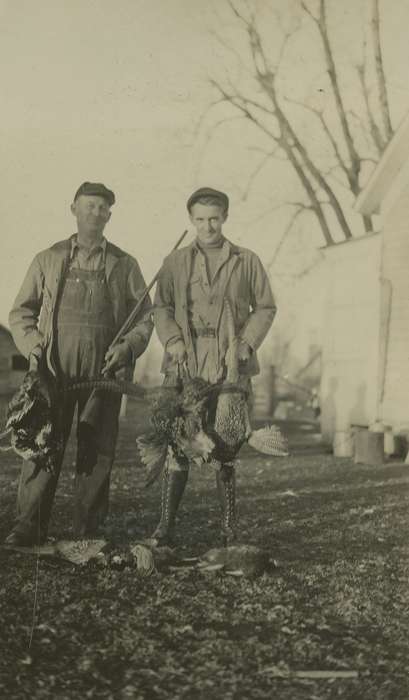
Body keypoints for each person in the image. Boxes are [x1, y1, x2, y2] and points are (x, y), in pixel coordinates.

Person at [5, 182, 153, 546]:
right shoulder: (49, 258)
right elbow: (20, 312)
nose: (95, 214)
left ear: (109, 216)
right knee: (42, 443)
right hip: (53, 370)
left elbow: (146, 317)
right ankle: (28, 525)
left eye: (102, 208)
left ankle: (89, 530)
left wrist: (128, 348)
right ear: (73, 208)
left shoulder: (124, 263)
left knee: (97, 449)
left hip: (103, 371)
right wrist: (34, 349)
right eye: (89, 206)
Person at [151, 186, 276, 546]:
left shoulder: (246, 259)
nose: (208, 226)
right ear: (191, 220)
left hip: (230, 362)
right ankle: (166, 526)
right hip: (185, 360)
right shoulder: (174, 262)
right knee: (179, 441)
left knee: (227, 443)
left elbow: (266, 307)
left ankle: (228, 528)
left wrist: (247, 343)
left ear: (225, 218)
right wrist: (172, 339)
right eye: (200, 219)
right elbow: (161, 307)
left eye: (214, 219)